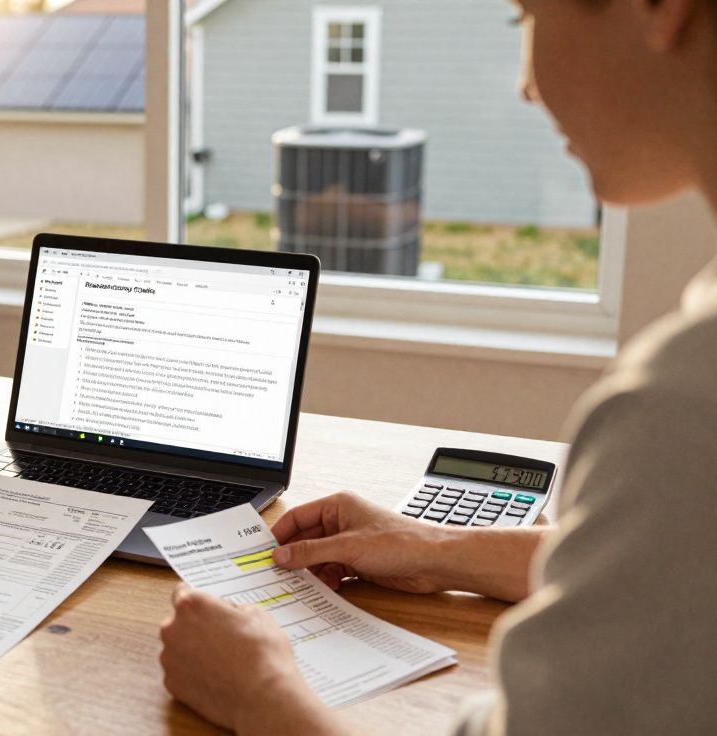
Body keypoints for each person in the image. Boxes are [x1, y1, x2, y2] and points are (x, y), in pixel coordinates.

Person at [159, 0, 717, 734]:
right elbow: (671, 576)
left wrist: (258, 694)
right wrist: (436, 548)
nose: (525, 85)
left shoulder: (683, 412)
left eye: (525, 17)